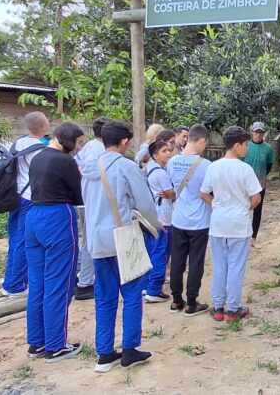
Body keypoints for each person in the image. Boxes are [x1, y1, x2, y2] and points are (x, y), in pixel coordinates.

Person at [82, 121, 162, 373]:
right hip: (123, 238)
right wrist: (155, 227)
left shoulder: (88, 167)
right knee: (131, 294)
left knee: (104, 297)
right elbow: (146, 204)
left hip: (96, 240)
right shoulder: (126, 167)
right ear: (125, 142)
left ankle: (104, 353)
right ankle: (129, 348)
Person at [24, 122, 85, 362]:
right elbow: (78, 194)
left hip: (34, 217)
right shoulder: (65, 161)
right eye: (79, 143)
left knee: (37, 283)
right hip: (57, 217)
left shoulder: (37, 157)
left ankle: (37, 342)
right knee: (59, 283)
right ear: (69, 140)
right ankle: (56, 345)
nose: (79, 148)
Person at [200, 126, 262, 323]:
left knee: (220, 265)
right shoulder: (245, 169)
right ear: (237, 145)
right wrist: (245, 208)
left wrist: (217, 205)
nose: (247, 148)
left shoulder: (213, 166)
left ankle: (218, 306)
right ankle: (233, 309)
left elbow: (204, 193)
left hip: (218, 223)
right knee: (236, 266)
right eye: (245, 144)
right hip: (239, 224)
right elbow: (256, 197)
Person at [2, 111, 50, 298]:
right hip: (30, 199)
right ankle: (15, 285)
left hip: (16, 195)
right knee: (24, 241)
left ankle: (9, 281)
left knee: (15, 239)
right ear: (43, 126)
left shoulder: (18, 143)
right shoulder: (40, 149)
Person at [167, 123, 211, 316]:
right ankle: (192, 302)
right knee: (196, 262)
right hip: (199, 221)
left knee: (177, 260)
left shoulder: (172, 161)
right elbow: (209, 191)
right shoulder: (205, 165)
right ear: (201, 140)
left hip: (178, 219)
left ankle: (176, 300)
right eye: (205, 143)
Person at [74, 117, 111, 301]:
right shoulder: (100, 152)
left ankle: (84, 277)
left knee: (88, 239)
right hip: (93, 202)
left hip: (85, 198)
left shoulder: (89, 147)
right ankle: (85, 283)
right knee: (91, 241)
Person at [143, 139, 178, 303]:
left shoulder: (150, 168)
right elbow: (171, 193)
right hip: (163, 217)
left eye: (168, 150)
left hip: (153, 215)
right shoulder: (160, 173)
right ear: (155, 155)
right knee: (160, 252)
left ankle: (147, 285)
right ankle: (154, 289)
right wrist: (174, 193)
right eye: (164, 151)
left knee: (153, 251)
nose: (168, 153)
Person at [242, 122, 273, 247]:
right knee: (243, 208)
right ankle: (242, 236)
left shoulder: (268, 148)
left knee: (257, 210)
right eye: (256, 132)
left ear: (263, 133)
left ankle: (253, 238)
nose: (258, 134)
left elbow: (269, 165)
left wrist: (262, 176)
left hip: (260, 184)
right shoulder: (246, 146)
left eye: (260, 132)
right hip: (244, 184)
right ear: (252, 132)